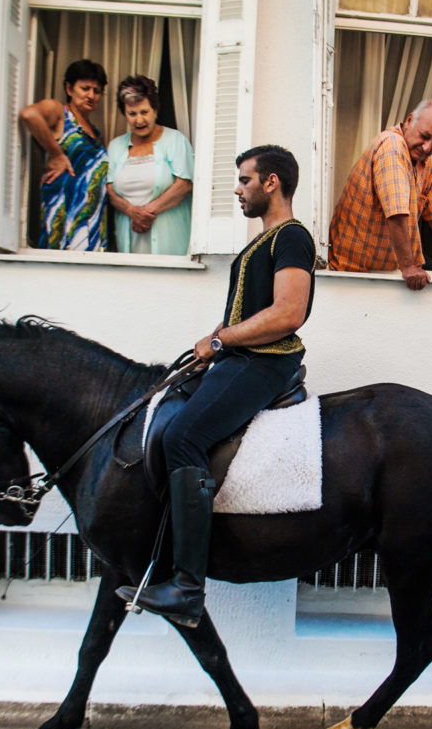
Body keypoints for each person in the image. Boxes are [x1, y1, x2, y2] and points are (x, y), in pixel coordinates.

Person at [116, 145, 317, 628]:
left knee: (185, 437)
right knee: (166, 419)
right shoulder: (259, 244)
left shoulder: (292, 238)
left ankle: (187, 587)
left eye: (245, 180)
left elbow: (288, 314)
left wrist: (220, 338)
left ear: (271, 183)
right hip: (239, 358)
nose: (237, 188)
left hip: (267, 363)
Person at [328, 99, 432, 290]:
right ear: (410, 120)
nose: (427, 147)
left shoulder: (426, 161)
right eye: (424, 136)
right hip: (351, 274)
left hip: (382, 274)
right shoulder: (393, 146)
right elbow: (396, 212)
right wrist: (409, 267)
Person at [19, 59, 110, 251]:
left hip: (92, 224)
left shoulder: (96, 133)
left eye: (97, 91)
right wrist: (56, 154)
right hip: (65, 217)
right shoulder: (60, 113)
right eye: (85, 88)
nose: (91, 95)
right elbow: (29, 115)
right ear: (69, 89)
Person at [106, 75, 194, 255]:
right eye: (132, 114)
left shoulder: (175, 140)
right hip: (129, 242)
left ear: (155, 110)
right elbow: (110, 191)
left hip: (170, 242)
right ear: (125, 114)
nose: (139, 120)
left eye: (144, 112)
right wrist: (131, 211)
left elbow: (184, 184)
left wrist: (146, 213)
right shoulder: (116, 146)